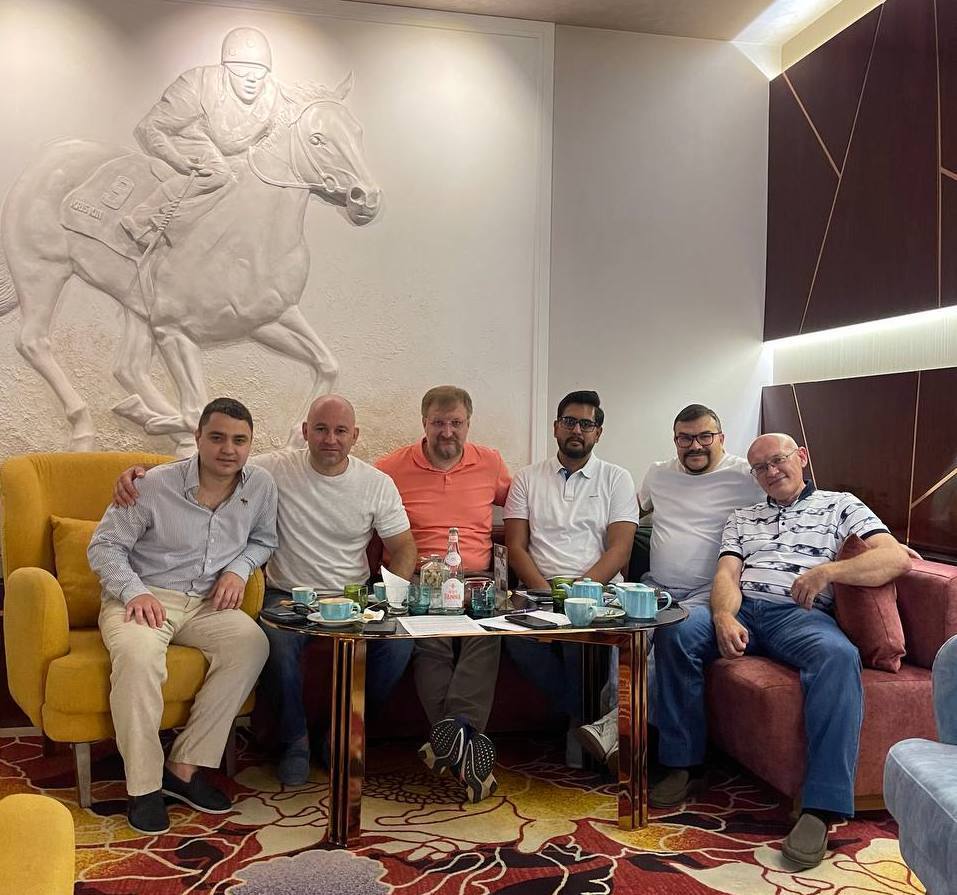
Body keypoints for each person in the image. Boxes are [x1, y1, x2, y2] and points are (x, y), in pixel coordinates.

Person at [113, 395, 419, 787]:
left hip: (354, 597)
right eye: (321, 429)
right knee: (274, 642)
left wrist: (390, 602)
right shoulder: (272, 470)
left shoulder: (376, 484)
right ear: (306, 432)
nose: (330, 439)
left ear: (355, 436)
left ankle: (341, 733)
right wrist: (139, 475)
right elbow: (214, 463)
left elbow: (404, 548)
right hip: (287, 595)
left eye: (340, 431)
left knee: (399, 646)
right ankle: (294, 741)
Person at [651, 433, 911, 869]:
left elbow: (895, 558)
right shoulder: (742, 516)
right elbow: (727, 574)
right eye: (760, 468)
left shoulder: (840, 505)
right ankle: (683, 764)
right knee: (676, 629)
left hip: (800, 617)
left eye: (778, 461)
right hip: (745, 609)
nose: (771, 472)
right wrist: (723, 616)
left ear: (801, 457)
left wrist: (827, 572)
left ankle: (822, 807)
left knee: (838, 657)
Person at [88, 397, 278, 835]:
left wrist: (239, 568)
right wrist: (134, 591)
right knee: (138, 659)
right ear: (197, 438)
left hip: (208, 604)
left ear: (250, 444)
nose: (228, 449)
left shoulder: (261, 485)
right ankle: (144, 787)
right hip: (143, 596)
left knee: (252, 644)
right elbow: (104, 546)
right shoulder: (152, 485)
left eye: (239, 440)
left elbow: (264, 539)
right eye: (217, 437)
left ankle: (184, 767)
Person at [576, 404, 762, 768]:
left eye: (705, 436)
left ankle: (616, 728)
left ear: (721, 438)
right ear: (675, 440)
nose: (695, 446)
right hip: (656, 587)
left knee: (664, 641)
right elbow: (629, 515)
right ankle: (619, 738)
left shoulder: (746, 475)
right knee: (625, 634)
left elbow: (786, 502)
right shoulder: (659, 474)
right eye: (685, 438)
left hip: (707, 593)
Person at [375, 386, 511, 803]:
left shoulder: (490, 463)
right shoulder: (390, 468)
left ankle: (450, 740)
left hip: (478, 580)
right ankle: (464, 745)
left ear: (468, 424)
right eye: (438, 422)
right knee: (430, 643)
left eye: (456, 423)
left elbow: (527, 503)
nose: (447, 432)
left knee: (487, 636)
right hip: (422, 579)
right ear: (424, 423)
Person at [502, 390, 640, 763]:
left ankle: (582, 729)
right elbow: (516, 547)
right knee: (513, 639)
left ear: (598, 433)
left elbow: (619, 550)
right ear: (555, 428)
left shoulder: (616, 478)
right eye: (569, 422)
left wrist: (578, 596)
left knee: (581, 641)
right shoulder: (527, 478)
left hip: (598, 594)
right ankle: (585, 719)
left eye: (586, 424)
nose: (576, 430)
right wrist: (549, 596)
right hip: (538, 593)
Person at [122, 26, 283, 246]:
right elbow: (150, 127)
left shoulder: (274, 99)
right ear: (225, 68)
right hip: (187, 137)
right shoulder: (197, 84)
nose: (251, 79)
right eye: (240, 70)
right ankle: (142, 218)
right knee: (218, 173)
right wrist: (177, 159)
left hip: (235, 154)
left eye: (259, 71)